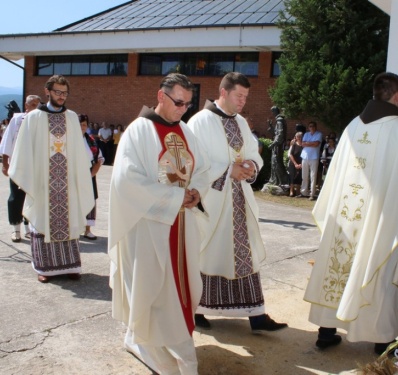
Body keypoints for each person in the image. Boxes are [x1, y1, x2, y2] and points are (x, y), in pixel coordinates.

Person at [304, 72, 398, 354]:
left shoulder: (352, 126)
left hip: (343, 220)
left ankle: (326, 332)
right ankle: (383, 340)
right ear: (397, 96)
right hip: (378, 221)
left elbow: (335, 174)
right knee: (377, 271)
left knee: (336, 268)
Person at [108, 73, 210, 374]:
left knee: (180, 288)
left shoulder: (185, 131)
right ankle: (158, 346)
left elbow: (201, 168)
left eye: (188, 105)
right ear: (161, 96)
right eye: (179, 102)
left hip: (181, 228)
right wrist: (174, 198)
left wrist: (195, 192)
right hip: (149, 228)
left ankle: (163, 343)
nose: (183, 110)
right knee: (153, 287)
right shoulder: (138, 131)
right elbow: (127, 180)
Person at [187, 72, 287, 332]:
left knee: (246, 254)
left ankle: (257, 315)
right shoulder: (200, 121)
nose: (243, 101)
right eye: (238, 95)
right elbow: (194, 161)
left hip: (240, 202)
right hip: (212, 202)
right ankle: (198, 310)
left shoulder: (241, 122)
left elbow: (254, 153)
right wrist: (228, 170)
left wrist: (251, 166)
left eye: (245, 97)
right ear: (223, 92)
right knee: (209, 255)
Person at [8, 75, 94, 283]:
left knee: (69, 218)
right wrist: (27, 176)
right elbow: (24, 149)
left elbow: (78, 152)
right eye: (57, 92)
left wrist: (79, 174)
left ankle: (71, 265)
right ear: (47, 91)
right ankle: (44, 268)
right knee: (43, 219)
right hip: (43, 182)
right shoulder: (34, 117)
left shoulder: (72, 117)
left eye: (65, 93)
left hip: (67, 183)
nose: (61, 96)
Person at [0, 95, 41, 242]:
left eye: (38, 105)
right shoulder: (17, 120)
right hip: (17, 166)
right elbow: (7, 142)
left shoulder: (41, 122)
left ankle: (28, 228)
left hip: (35, 167)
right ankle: (15, 229)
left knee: (32, 197)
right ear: (26, 105)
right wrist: (5, 164)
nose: (35, 108)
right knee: (16, 198)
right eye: (33, 105)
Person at [79, 114, 104, 240]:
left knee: (90, 200)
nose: (82, 127)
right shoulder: (69, 140)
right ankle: (74, 227)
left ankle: (87, 230)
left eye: (84, 125)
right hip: (74, 174)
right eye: (80, 124)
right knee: (74, 200)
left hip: (89, 174)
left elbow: (99, 159)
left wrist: (91, 174)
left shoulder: (91, 140)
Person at [300, 121, 322, 201]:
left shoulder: (319, 134)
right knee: (304, 176)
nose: (311, 127)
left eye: (313, 126)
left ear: (315, 127)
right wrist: (311, 143)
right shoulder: (306, 134)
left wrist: (307, 143)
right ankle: (304, 192)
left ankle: (312, 194)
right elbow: (302, 144)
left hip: (314, 157)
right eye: (310, 126)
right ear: (308, 127)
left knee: (313, 176)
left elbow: (316, 144)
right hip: (305, 157)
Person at [288, 132, 303, 197]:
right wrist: (295, 163)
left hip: (301, 163)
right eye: (298, 137)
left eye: (300, 137)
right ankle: (291, 190)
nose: (299, 138)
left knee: (299, 177)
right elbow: (291, 154)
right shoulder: (294, 144)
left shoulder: (304, 145)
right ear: (296, 138)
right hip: (293, 163)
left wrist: (301, 164)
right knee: (292, 176)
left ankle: (298, 191)